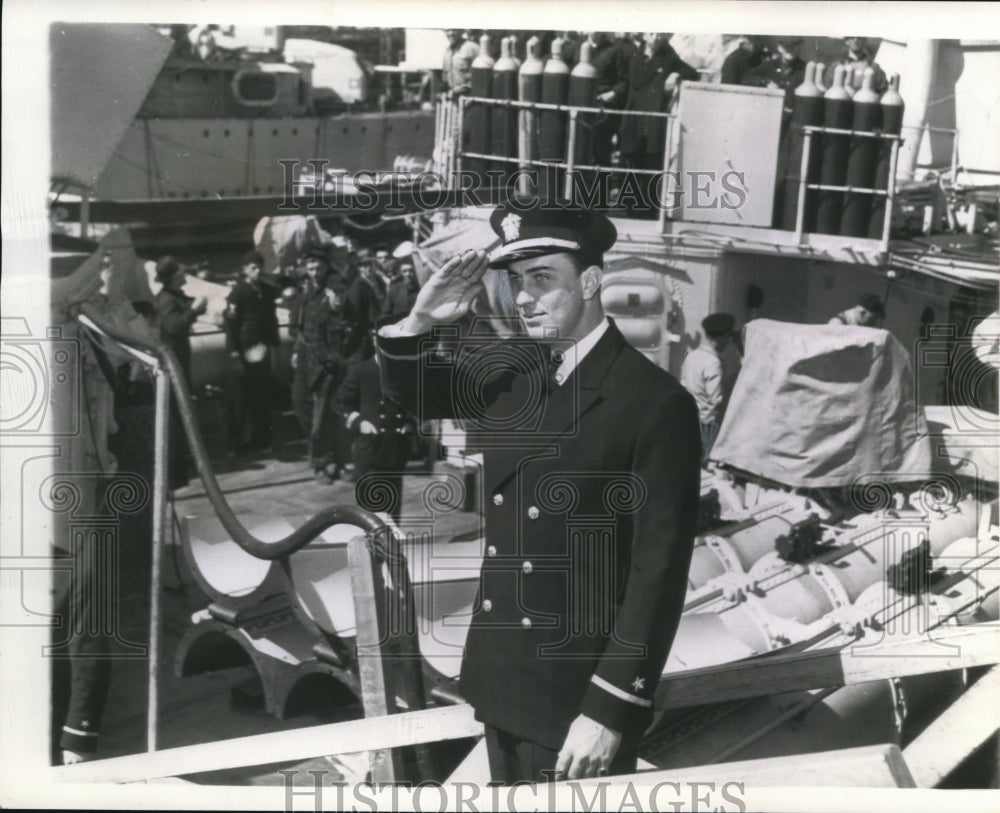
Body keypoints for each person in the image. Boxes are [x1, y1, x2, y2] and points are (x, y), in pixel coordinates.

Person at [377, 204, 701, 783]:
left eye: (543, 278)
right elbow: (420, 393)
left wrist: (609, 710)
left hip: (572, 704)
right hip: (499, 681)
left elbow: (658, 573)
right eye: (517, 281)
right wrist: (421, 320)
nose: (524, 297)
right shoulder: (518, 374)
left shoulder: (654, 403)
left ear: (592, 281)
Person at [334, 330, 415, 524]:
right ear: (374, 342)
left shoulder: (404, 371)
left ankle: (392, 548)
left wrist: (410, 423)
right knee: (370, 514)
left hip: (395, 450)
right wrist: (359, 422)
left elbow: (414, 404)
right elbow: (339, 403)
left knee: (393, 513)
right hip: (370, 450)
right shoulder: (361, 370)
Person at [618, 33, 698, 214]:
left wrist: (676, 74)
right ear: (645, 35)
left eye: (658, 34)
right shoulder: (632, 53)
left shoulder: (668, 56)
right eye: (651, 33)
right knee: (629, 160)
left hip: (653, 119)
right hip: (632, 115)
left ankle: (647, 211)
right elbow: (623, 79)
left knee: (650, 163)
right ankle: (628, 207)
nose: (655, 37)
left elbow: (692, 73)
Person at [153, 256, 207, 489]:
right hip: (174, 363)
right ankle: (176, 470)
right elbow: (173, 326)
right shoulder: (166, 300)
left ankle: (179, 467)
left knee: (178, 411)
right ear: (173, 278)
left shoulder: (170, 298)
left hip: (178, 361)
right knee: (176, 412)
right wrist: (195, 311)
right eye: (181, 275)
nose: (185, 278)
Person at [223, 250, 282, 454]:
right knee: (239, 398)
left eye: (259, 267)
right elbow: (230, 325)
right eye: (253, 268)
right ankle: (235, 444)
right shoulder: (238, 292)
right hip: (243, 351)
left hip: (262, 350)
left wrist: (275, 348)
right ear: (245, 270)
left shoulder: (266, 291)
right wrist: (234, 354)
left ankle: (261, 439)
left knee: (262, 395)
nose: (257, 271)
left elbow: (272, 321)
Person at [680, 312, 737, 462]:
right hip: (705, 426)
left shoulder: (692, 356)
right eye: (728, 337)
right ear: (719, 338)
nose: (729, 342)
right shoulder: (713, 362)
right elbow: (716, 400)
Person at [442, 29, 479, 96]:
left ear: (461, 31)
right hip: (453, 99)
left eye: (454, 30)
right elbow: (445, 77)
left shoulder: (473, 48)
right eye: (448, 30)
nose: (451, 33)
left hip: (471, 98)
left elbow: (482, 77)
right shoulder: (447, 52)